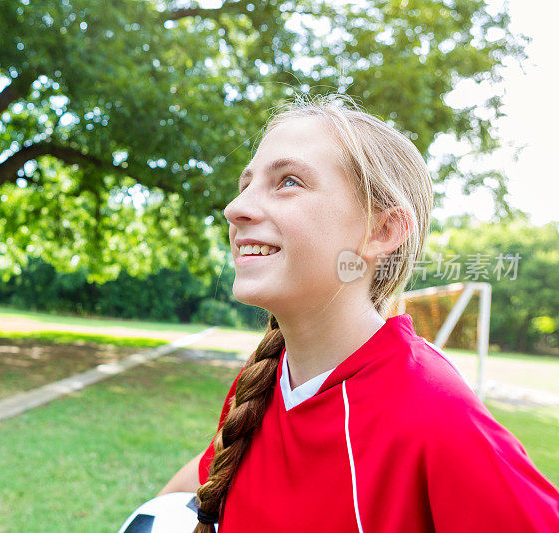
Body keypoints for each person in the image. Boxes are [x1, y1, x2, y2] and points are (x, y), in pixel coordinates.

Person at [158, 94, 559, 532]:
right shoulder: (261, 385)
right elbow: (207, 473)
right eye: (245, 184)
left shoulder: (433, 412)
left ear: (382, 230)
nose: (235, 209)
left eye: (288, 181)